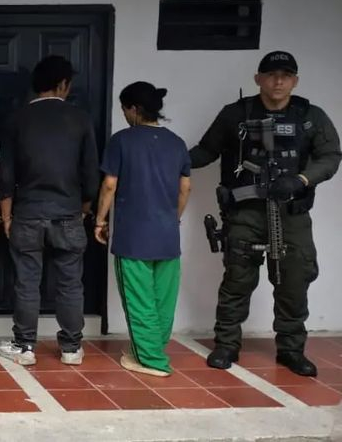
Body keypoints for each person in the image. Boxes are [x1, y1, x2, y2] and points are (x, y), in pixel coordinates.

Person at [190, 51, 340, 376]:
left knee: (294, 280)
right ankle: (226, 345)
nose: (278, 81)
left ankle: (291, 350)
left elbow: (330, 157)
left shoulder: (310, 116)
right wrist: (167, 157)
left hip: (292, 214)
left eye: (286, 75)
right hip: (245, 213)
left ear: (295, 81)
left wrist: (300, 180)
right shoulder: (235, 114)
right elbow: (205, 151)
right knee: (237, 279)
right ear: (258, 78)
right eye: (271, 75)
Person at [0, 55, 98, 367]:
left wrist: (6, 216)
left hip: (27, 212)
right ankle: (71, 348)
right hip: (68, 213)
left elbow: (6, 176)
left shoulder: (16, 119)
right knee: (70, 283)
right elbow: (91, 176)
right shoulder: (80, 119)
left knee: (27, 282)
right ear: (63, 84)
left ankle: (25, 346)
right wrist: (83, 210)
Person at [94, 82, 191, 377]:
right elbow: (185, 188)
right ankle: (152, 350)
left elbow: (109, 184)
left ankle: (151, 361)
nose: (124, 114)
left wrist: (100, 221)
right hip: (167, 235)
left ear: (134, 109)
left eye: (125, 109)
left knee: (139, 300)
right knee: (163, 300)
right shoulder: (177, 143)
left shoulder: (122, 141)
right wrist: (173, 218)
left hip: (133, 236)